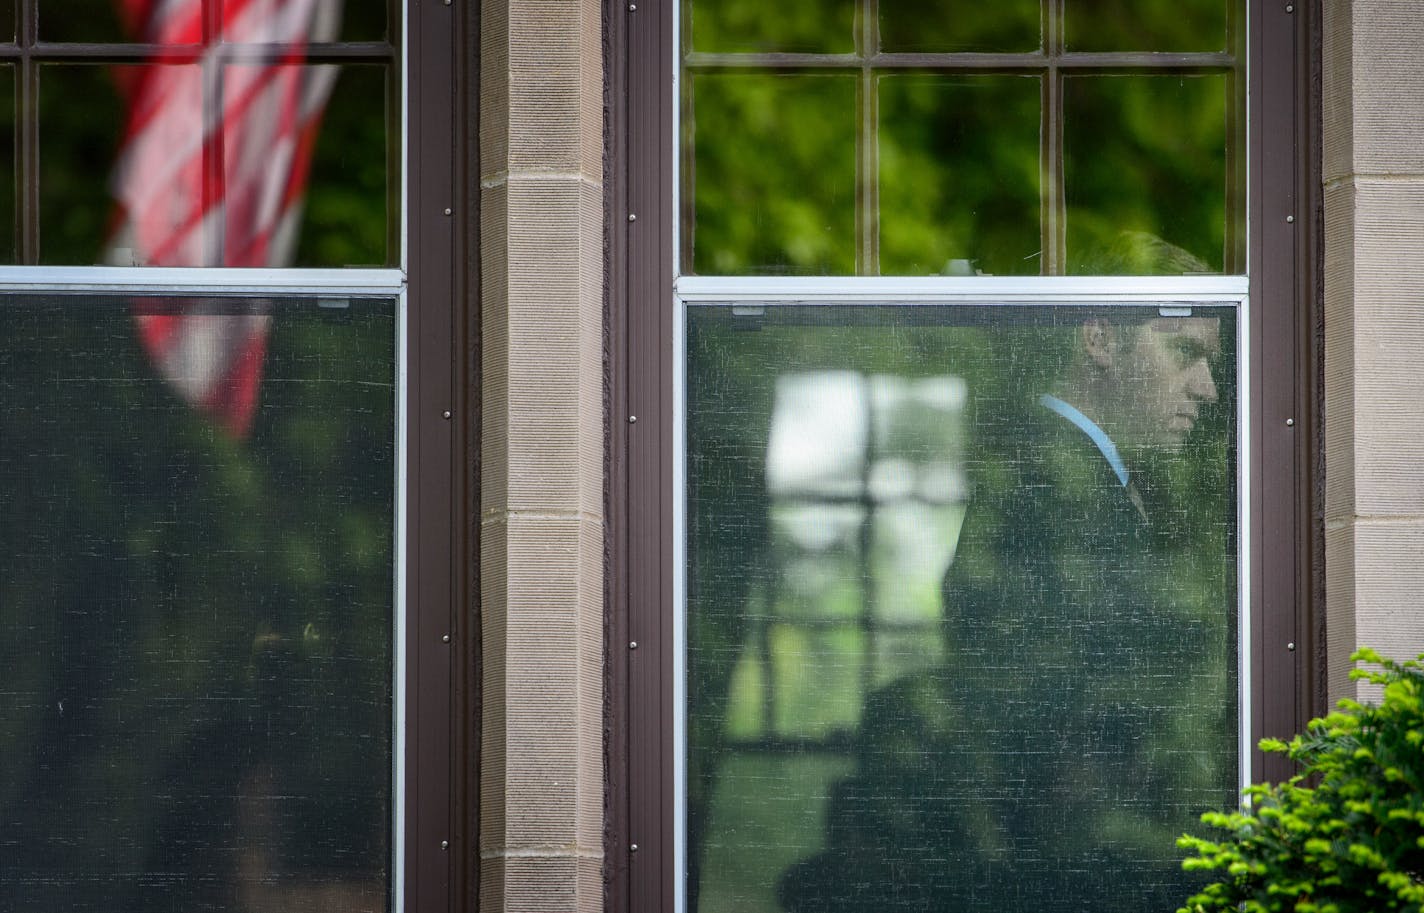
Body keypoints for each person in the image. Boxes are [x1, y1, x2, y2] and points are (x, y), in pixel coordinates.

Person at [779, 305, 1237, 913]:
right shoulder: (1045, 477)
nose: (1207, 387)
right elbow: (1017, 667)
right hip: (1070, 848)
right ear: (1099, 339)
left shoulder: (1109, 477)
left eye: (1211, 363)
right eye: (1184, 352)